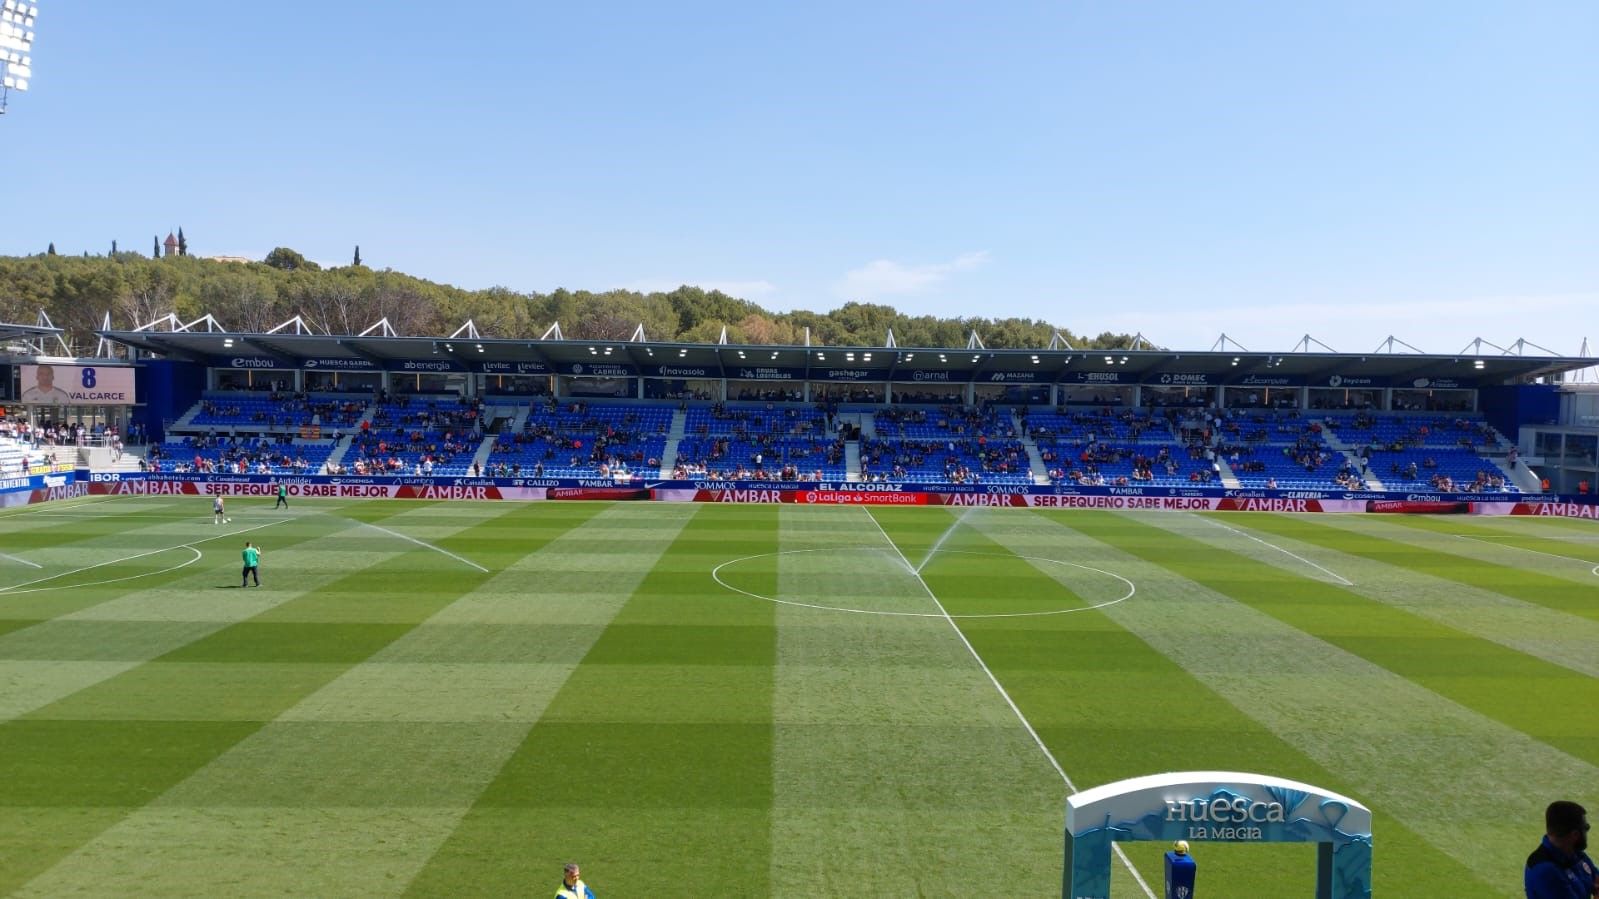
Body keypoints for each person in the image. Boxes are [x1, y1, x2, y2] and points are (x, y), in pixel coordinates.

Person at [1525, 800, 1595, 899]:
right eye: (1586, 828)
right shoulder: (1545, 871)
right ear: (1575, 835)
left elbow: (1596, 878)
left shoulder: (1575, 853)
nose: (1587, 832)